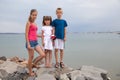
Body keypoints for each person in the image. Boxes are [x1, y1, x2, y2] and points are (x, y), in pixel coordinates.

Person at [25, 9, 45, 76]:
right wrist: (28, 44)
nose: (34, 16)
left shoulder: (35, 24)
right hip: (30, 42)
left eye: (35, 15)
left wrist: (41, 35)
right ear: (30, 15)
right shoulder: (28, 23)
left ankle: (34, 64)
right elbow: (26, 34)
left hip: (35, 42)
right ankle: (30, 72)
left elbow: (34, 34)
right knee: (31, 57)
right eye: (33, 15)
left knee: (43, 55)